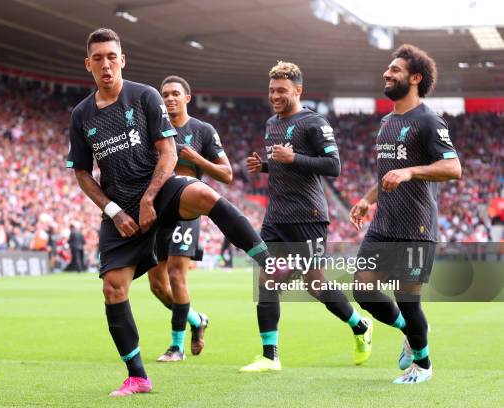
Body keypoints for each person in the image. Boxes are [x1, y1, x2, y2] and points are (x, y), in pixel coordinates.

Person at [67, 28, 278, 397]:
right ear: (88, 64)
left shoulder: (145, 96)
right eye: (98, 58)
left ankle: (266, 259)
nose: (106, 64)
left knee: (202, 193)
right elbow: (83, 173)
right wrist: (115, 210)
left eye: (111, 57)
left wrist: (150, 197)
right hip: (120, 209)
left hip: (159, 190)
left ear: (122, 60)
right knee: (114, 288)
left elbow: (168, 152)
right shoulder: (82, 115)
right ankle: (137, 376)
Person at [242, 61, 372, 373]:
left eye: (282, 91)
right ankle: (269, 356)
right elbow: (283, 164)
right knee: (267, 280)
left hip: (308, 215)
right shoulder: (271, 123)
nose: (276, 95)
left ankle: (360, 325)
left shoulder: (314, 122)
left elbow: (333, 165)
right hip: (276, 215)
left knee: (315, 284)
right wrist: (265, 166)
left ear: (298, 90)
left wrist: (293, 157)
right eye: (272, 90)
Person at [349, 44, 461, 384]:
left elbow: (453, 168)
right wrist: (368, 199)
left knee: (407, 298)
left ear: (415, 78)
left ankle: (423, 365)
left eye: (395, 70)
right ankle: (408, 334)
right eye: (388, 68)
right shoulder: (386, 122)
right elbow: (388, 171)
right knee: (363, 290)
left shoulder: (428, 120)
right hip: (383, 225)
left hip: (416, 225)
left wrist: (411, 172)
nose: (387, 73)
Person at [148, 75, 233, 361]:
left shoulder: (202, 130)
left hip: (185, 209)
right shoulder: (152, 128)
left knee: (176, 274)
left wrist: (197, 159)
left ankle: (176, 347)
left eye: (175, 94)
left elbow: (227, 174)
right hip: (157, 210)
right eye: (165, 94)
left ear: (187, 97)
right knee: (158, 286)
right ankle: (196, 320)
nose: (169, 98)